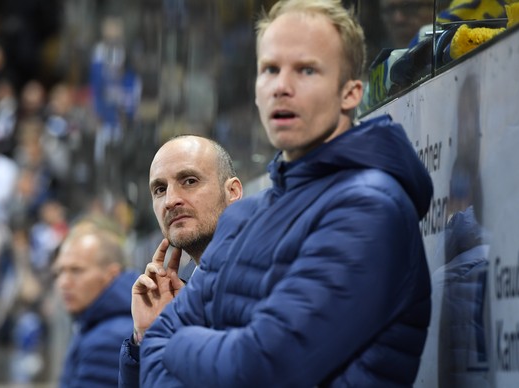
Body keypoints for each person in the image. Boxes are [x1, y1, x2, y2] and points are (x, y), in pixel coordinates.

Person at [140, 1, 434, 387]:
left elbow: (261, 368)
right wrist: (160, 340)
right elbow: (155, 353)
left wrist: (173, 341)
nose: (282, 86)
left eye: (306, 69)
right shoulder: (243, 219)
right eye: (270, 70)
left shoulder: (370, 208)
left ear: (350, 93)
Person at [118, 135, 243, 387]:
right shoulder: (178, 293)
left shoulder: (270, 274)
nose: (170, 200)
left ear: (232, 192)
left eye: (189, 181)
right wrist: (148, 335)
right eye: (160, 189)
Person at [53, 216, 140, 387]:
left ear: (111, 275)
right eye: (60, 272)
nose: (64, 282)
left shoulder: (108, 340)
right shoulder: (95, 324)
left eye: (76, 270)